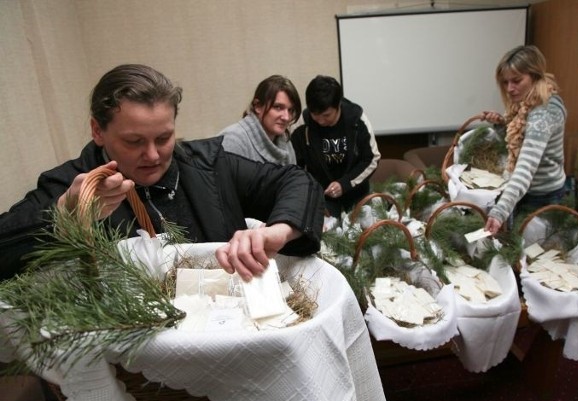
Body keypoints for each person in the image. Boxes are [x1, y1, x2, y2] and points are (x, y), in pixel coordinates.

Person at [0, 64, 325, 282]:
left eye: (164, 138)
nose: (153, 155)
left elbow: (297, 181)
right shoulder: (70, 184)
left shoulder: (209, 163)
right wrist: (65, 215)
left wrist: (278, 232)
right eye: (134, 141)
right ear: (98, 131)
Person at [481, 45, 567, 235]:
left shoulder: (543, 113)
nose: (510, 89)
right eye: (505, 83)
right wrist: (503, 124)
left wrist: (500, 211)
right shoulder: (527, 103)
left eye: (516, 81)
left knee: (532, 252)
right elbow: (522, 138)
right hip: (527, 192)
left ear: (535, 76)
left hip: (542, 196)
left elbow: (525, 167)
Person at [291, 75, 380, 218]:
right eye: (315, 115)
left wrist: (345, 184)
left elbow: (371, 159)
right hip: (322, 198)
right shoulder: (303, 123)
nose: (320, 121)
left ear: (338, 105)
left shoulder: (356, 119)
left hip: (356, 191)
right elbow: (295, 165)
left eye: (326, 115)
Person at [217, 75, 301, 165]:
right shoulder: (233, 141)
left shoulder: (284, 142)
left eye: (290, 110)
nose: (286, 117)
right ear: (257, 106)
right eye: (278, 107)